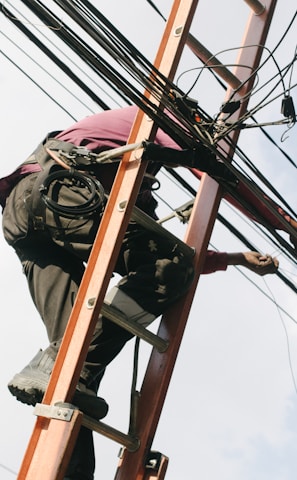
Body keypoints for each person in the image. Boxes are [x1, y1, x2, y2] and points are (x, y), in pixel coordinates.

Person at [1, 106, 280, 480]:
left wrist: (236, 258)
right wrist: (279, 219)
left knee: (75, 369)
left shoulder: (137, 175)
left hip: (24, 216)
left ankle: (70, 472)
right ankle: (57, 364)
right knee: (167, 269)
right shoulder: (149, 116)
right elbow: (204, 161)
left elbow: (154, 244)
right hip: (61, 191)